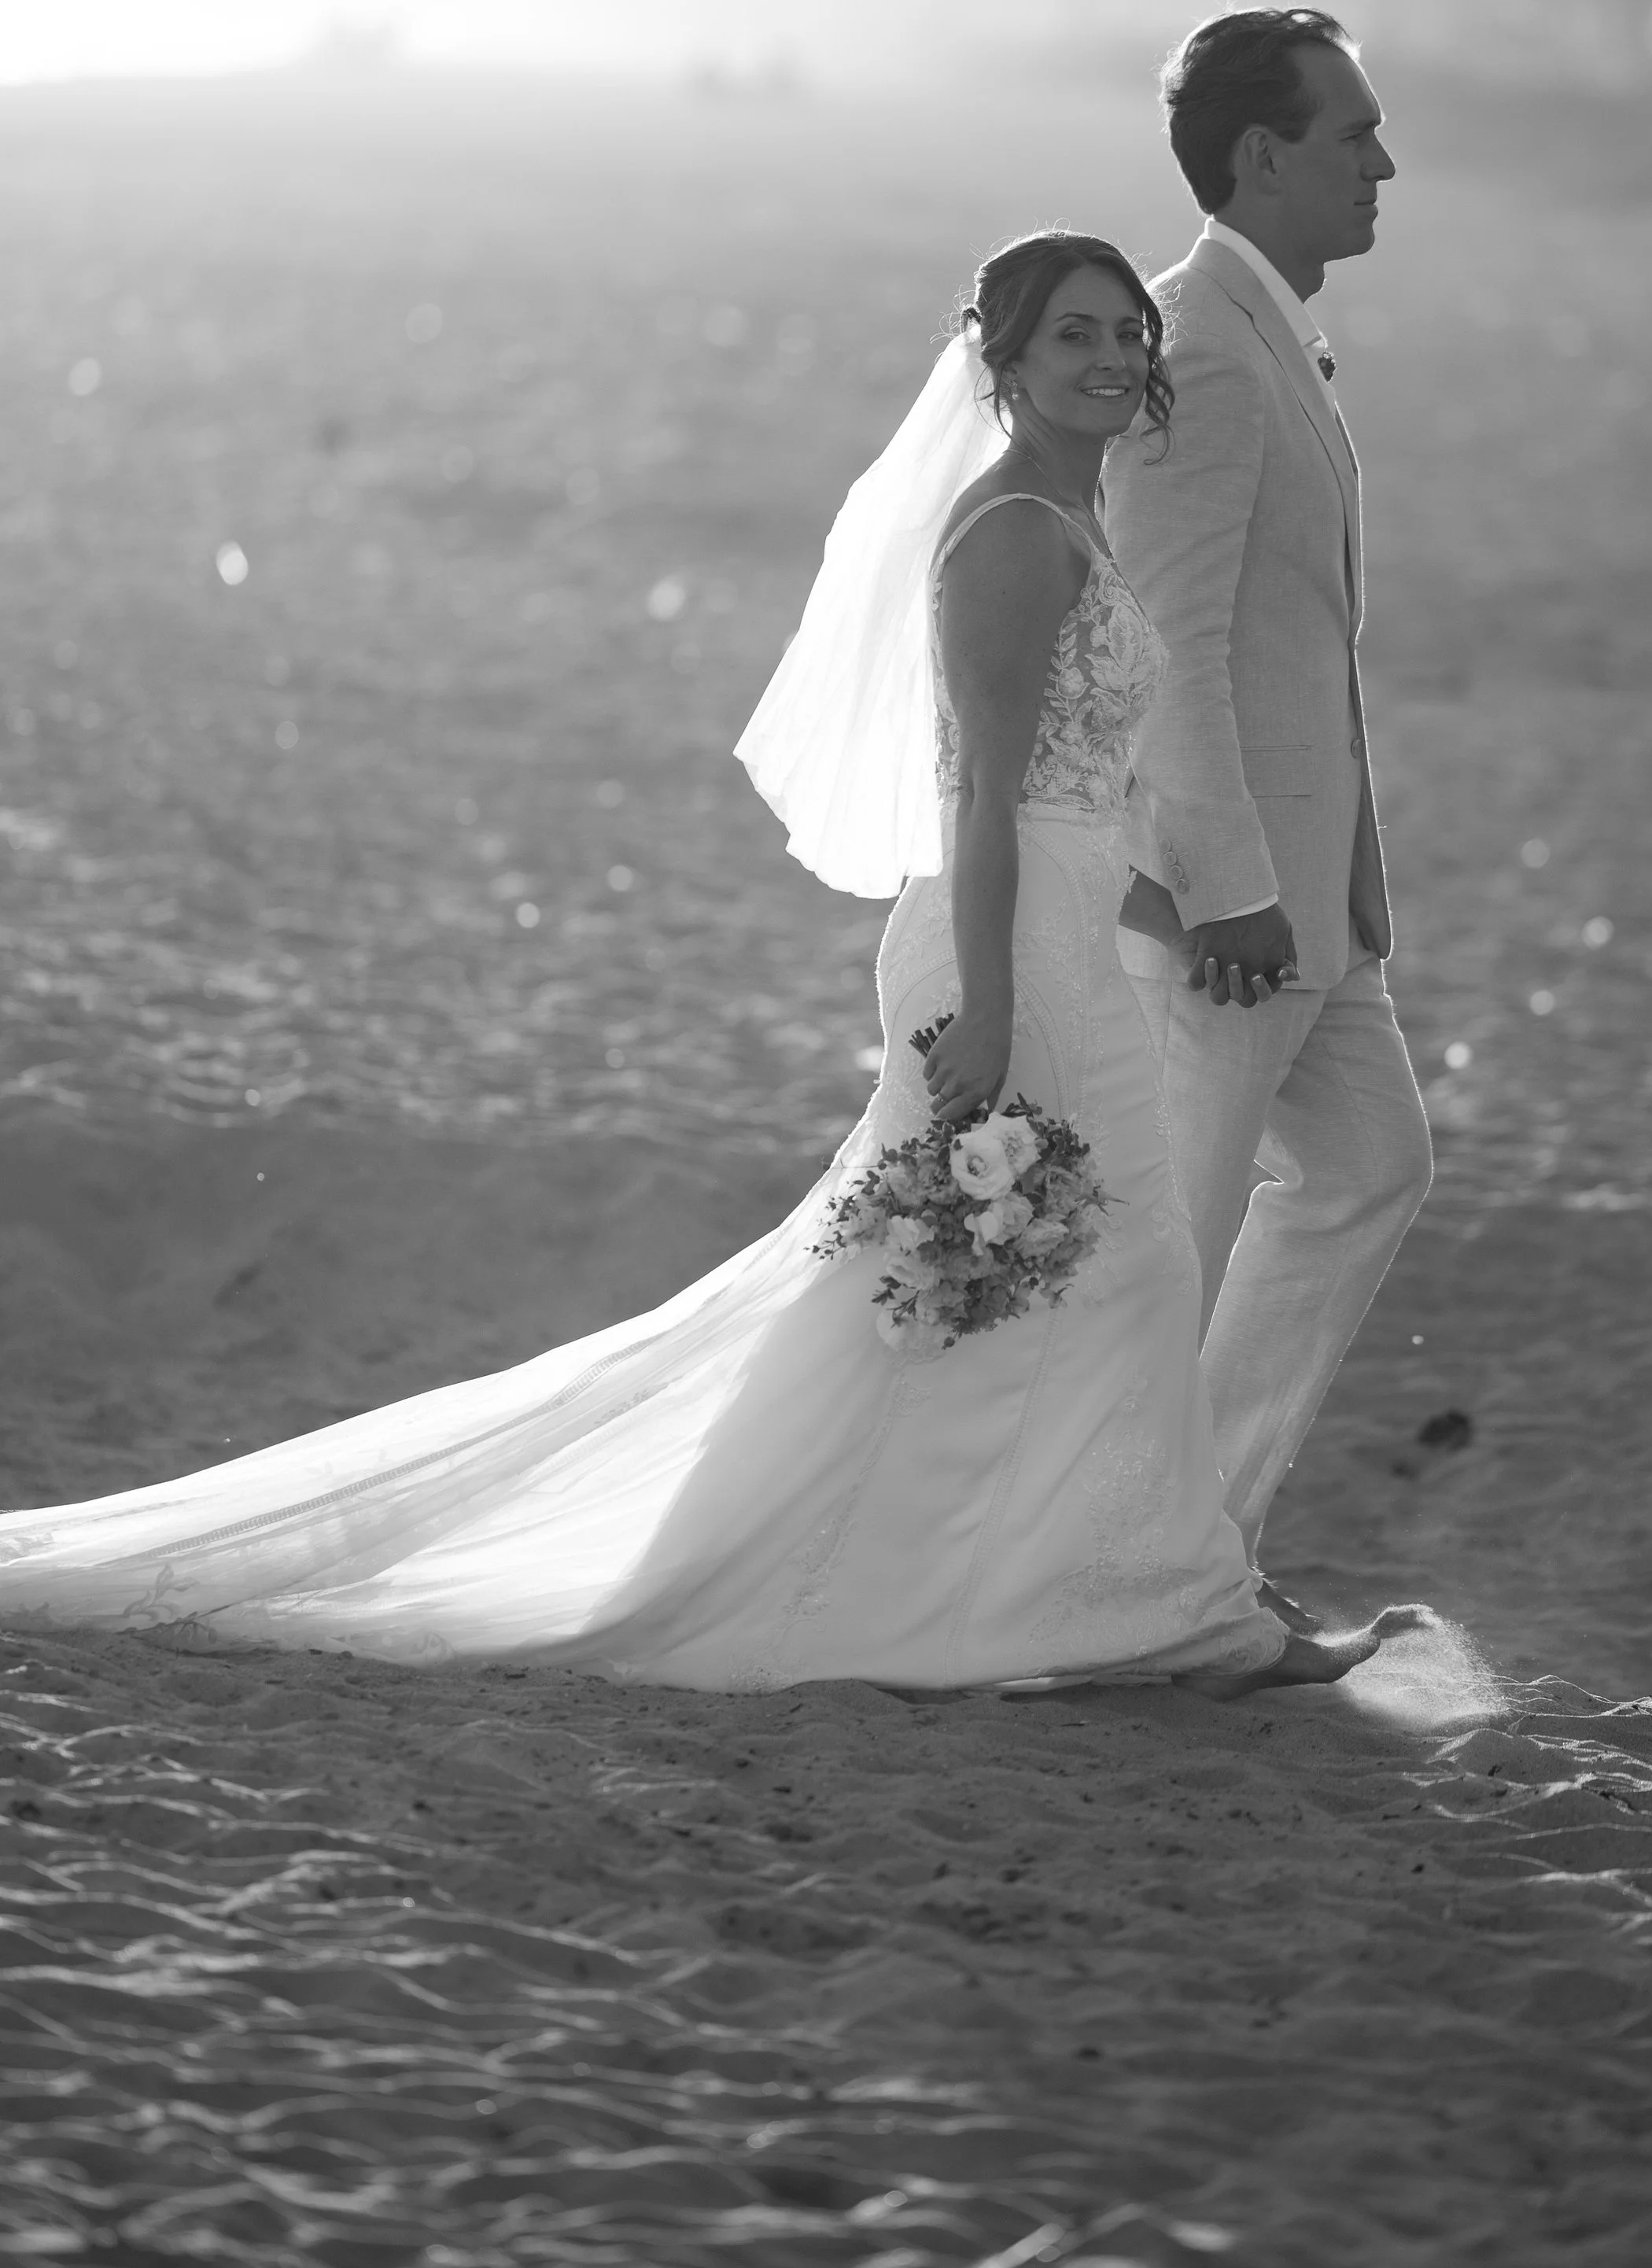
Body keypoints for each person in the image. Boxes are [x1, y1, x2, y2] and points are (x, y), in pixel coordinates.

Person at [0, 232, 1414, 1695]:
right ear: (1003, 362)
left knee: (1060, 1274)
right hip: (1002, 951)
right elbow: (981, 799)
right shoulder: (1009, 535)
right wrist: (990, 1008)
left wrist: (1165, 923)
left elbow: (1078, 791)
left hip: (1067, 928)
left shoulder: (1085, 516)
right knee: (1093, 1261)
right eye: (1075, 336)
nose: (1116, 357)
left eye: (1129, 331)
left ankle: (1114, 1599)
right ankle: (1170, 1614)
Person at [1104, 11, 1434, 1606]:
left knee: (1371, 1162)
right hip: (1228, 905)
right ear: (1259, 155)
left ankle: (1194, 1540)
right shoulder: (1201, 351)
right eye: (1352, 132)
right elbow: (1164, 651)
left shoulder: (1265, 329)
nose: (1381, 161)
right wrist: (1225, 884)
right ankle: (1123, 1572)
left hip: (1314, 893)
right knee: (1165, 1249)